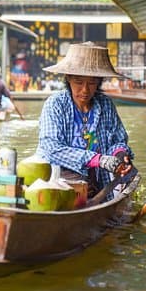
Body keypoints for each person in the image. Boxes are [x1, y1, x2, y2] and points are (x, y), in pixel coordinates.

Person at [36, 42, 134, 195]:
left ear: (99, 82)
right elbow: (51, 149)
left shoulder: (105, 104)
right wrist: (98, 159)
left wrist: (120, 157)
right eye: (79, 82)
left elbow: (118, 141)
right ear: (68, 78)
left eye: (92, 83)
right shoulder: (55, 104)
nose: (85, 90)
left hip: (96, 181)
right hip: (58, 182)